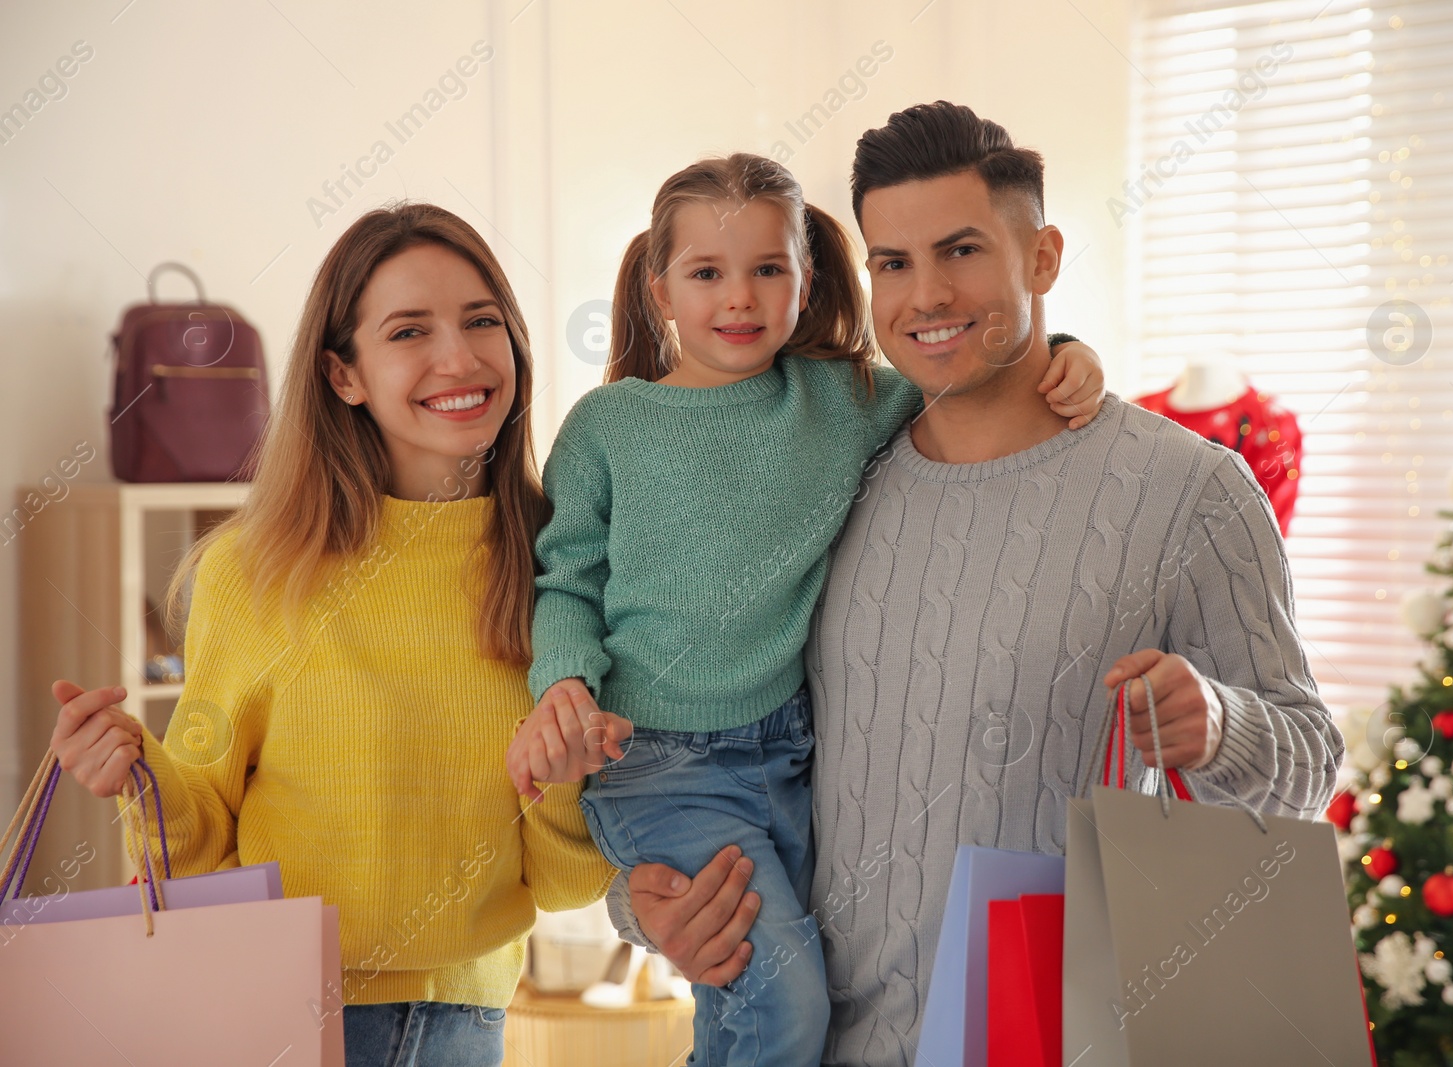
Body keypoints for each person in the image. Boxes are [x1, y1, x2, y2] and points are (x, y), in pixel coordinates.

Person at [610, 103, 1346, 1067]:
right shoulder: (838, 469)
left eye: (960, 250)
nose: (925, 296)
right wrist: (646, 903)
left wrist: (1217, 722)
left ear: (1042, 256)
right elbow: (712, 726)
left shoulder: (1190, 493)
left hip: (1059, 1039)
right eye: (892, 262)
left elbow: (1310, 758)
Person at [503, 153, 1105, 1066]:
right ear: (660, 288)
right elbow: (566, 580)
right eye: (707, 273)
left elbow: (967, 374)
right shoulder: (607, 425)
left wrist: (1068, 353)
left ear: (806, 278)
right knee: (779, 1002)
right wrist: (563, 687)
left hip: (791, 755)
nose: (738, 298)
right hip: (659, 763)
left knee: (780, 998)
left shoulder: (842, 396)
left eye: (767, 269)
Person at [47, 204, 614, 1067]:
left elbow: (569, 885)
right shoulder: (252, 572)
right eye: (409, 331)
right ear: (343, 374)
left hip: (465, 1026)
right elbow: (197, 846)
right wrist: (135, 770)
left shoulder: (560, 568)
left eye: (481, 320)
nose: (458, 358)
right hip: (274, 1012)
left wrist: (561, 782)